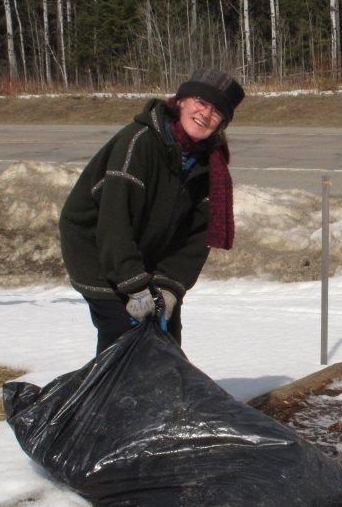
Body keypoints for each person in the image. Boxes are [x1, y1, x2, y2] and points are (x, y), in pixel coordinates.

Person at [59, 69, 245, 355]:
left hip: (147, 250)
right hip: (97, 248)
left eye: (217, 111)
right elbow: (115, 222)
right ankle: (109, 398)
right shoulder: (139, 142)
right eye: (200, 102)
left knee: (166, 336)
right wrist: (135, 287)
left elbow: (196, 235)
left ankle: (158, 398)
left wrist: (169, 288)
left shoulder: (210, 164)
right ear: (180, 101)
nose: (205, 114)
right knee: (121, 334)